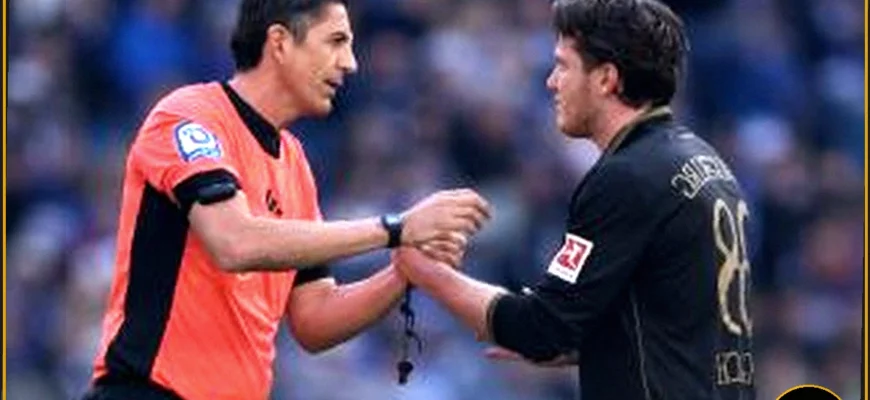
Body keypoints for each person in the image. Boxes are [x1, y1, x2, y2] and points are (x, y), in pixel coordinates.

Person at [82, 0, 490, 399]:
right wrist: (395, 228)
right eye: (336, 41)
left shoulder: (293, 163)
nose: (350, 63)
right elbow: (234, 242)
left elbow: (314, 320)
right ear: (279, 42)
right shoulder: (189, 116)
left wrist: (402, 272)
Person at [395, 0, 756, 399]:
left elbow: (541, 330)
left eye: (563, 66)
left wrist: (423, 268)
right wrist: (590, 344)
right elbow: (676, 322)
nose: (551, 82)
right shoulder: (705, 162)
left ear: (606, 79)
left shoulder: (628, 177)